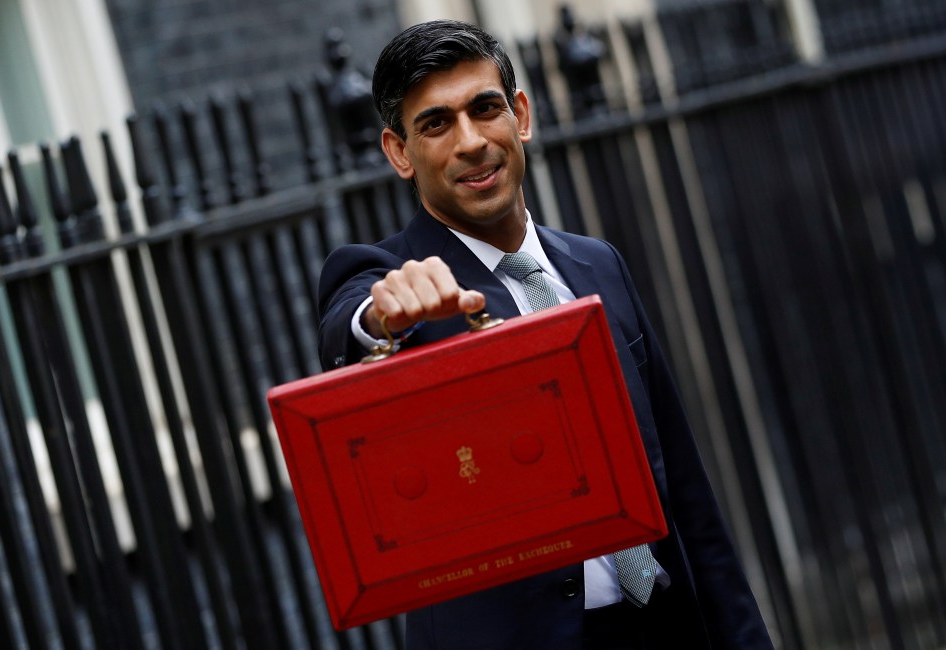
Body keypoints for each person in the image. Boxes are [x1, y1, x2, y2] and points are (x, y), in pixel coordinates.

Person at [317, 19, 773, 650]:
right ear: (399, 153)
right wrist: (381, 320)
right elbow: (349, 324)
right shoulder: (390, 280)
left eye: (485, 108)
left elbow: (685, 489)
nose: (471, 142)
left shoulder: (598, 264)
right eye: (436, 124)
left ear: (521, 116)